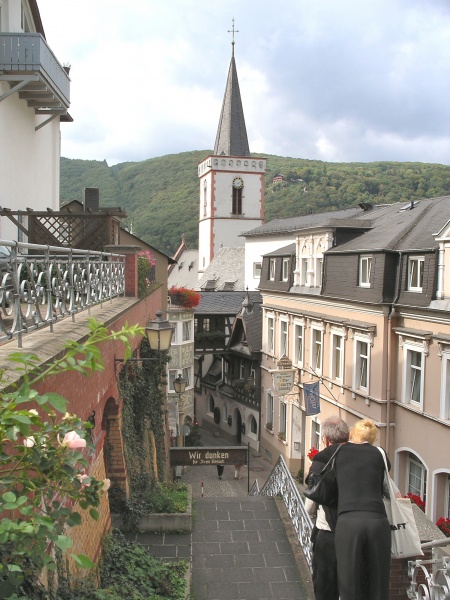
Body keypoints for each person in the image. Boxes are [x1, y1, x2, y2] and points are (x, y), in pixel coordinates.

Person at [334, 418, 391, 600]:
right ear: (372, 438)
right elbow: (385, 483)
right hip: (377, 521)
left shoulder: (338, 453)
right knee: (379, 584)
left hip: (348, 521)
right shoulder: (379, 454)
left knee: (349, 583)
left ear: (352, 434)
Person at [304, 416, 349, 600]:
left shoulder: (321, 461)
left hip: (328, 532)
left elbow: (309, 507)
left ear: (326, 440)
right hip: (354, 531)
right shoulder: (361, 458)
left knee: (324, 588)